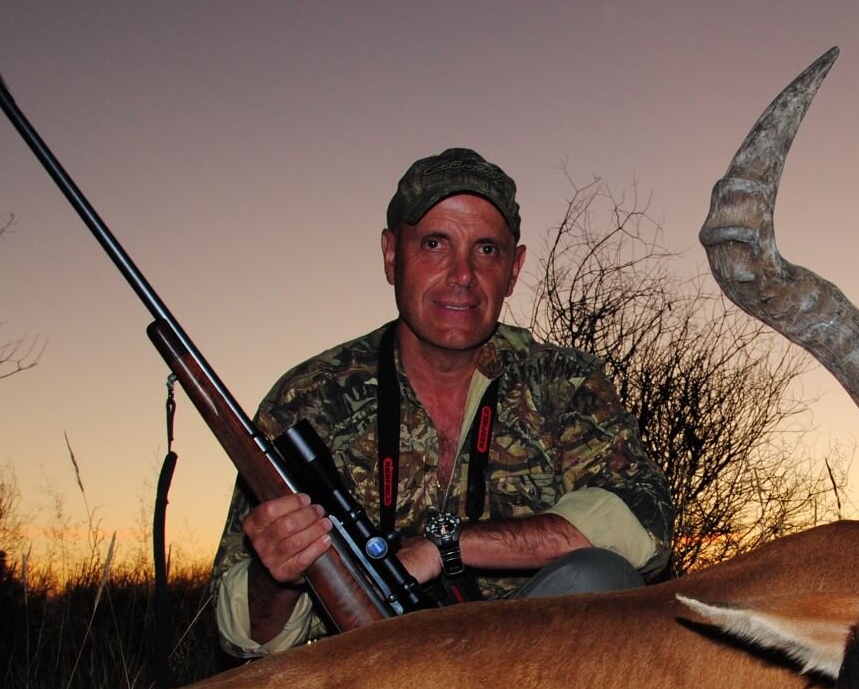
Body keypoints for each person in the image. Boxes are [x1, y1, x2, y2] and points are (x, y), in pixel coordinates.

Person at [211, 148, 674, 657]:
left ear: (514, 270)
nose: (462, 275)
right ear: (392, 255)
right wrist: (276, 576)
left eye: (487, 251)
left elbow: (642, 521)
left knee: (598, 576)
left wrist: (446, 547)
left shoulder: (563, 382)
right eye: (434, 244)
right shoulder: (309, 397)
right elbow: (242, 634)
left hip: (518, 674)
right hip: (357, 679)